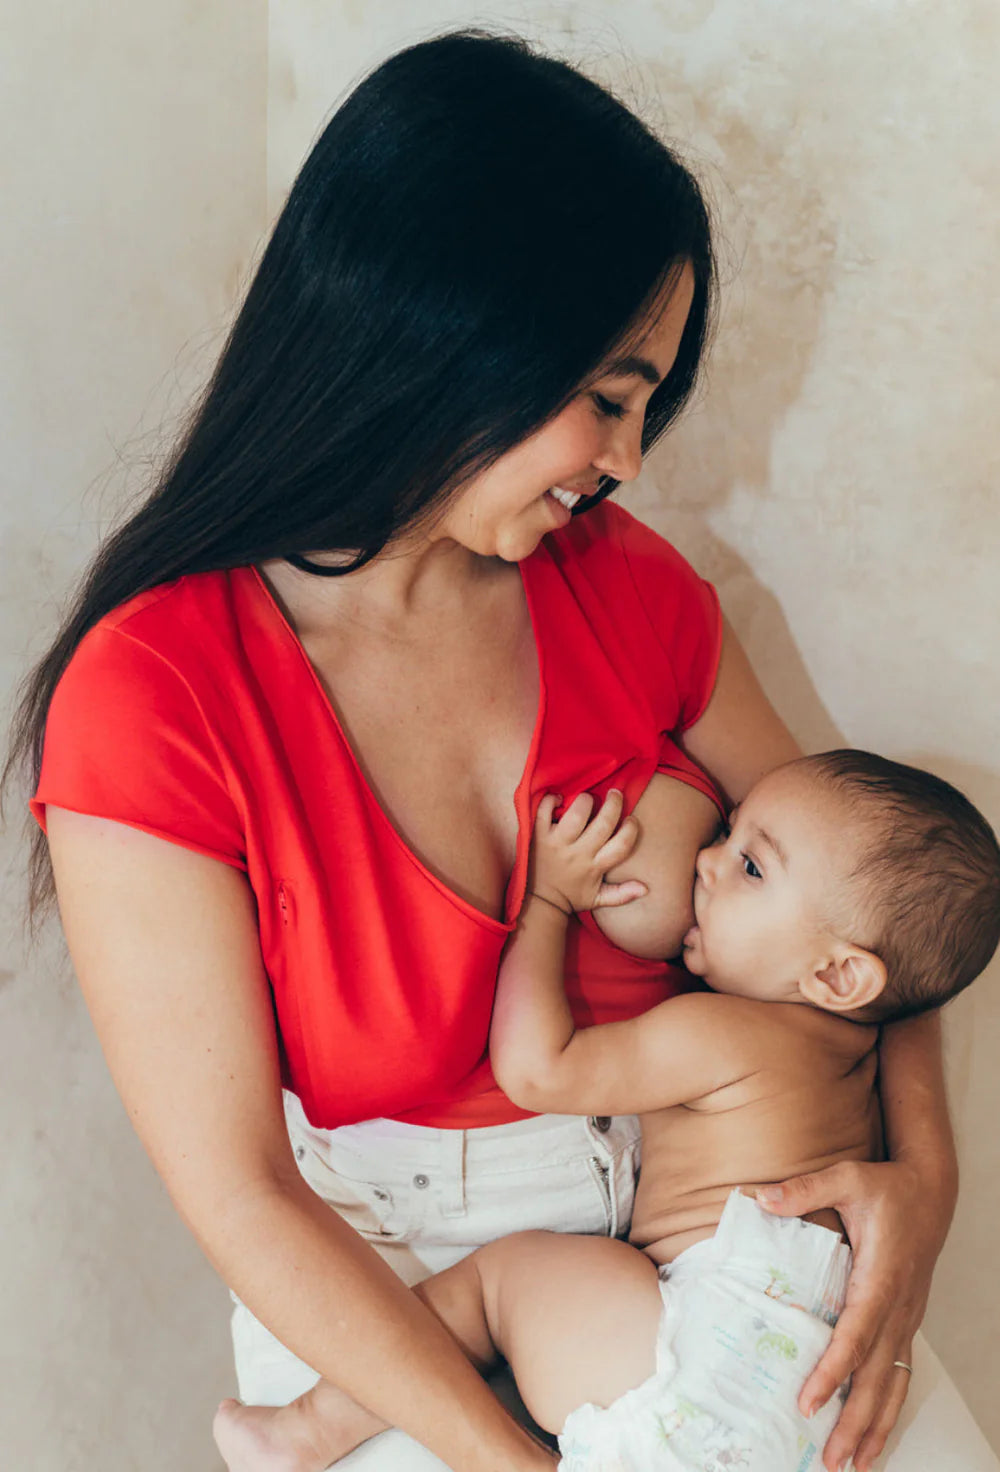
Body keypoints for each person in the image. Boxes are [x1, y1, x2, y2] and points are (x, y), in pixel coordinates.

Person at [1, 28, 958, 1472]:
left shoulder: (626, 589)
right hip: (382, 1302)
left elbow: (874, 885)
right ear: (446, 340)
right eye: (611, 397)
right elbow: (246, 1195)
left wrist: (925, 1184)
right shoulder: (157, 698)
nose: (629, 460)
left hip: (691, 1251)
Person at [212, 750, 1000, 1471]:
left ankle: (308, 1429)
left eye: (751, 866)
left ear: (836, 977)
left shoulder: (726, 1035)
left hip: (688, 1358)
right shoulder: (857, 1056)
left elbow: (537, 1070)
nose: (707, 861)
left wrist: (547, 902)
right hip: (804, 1401)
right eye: (727, 833)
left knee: (495, 1284)